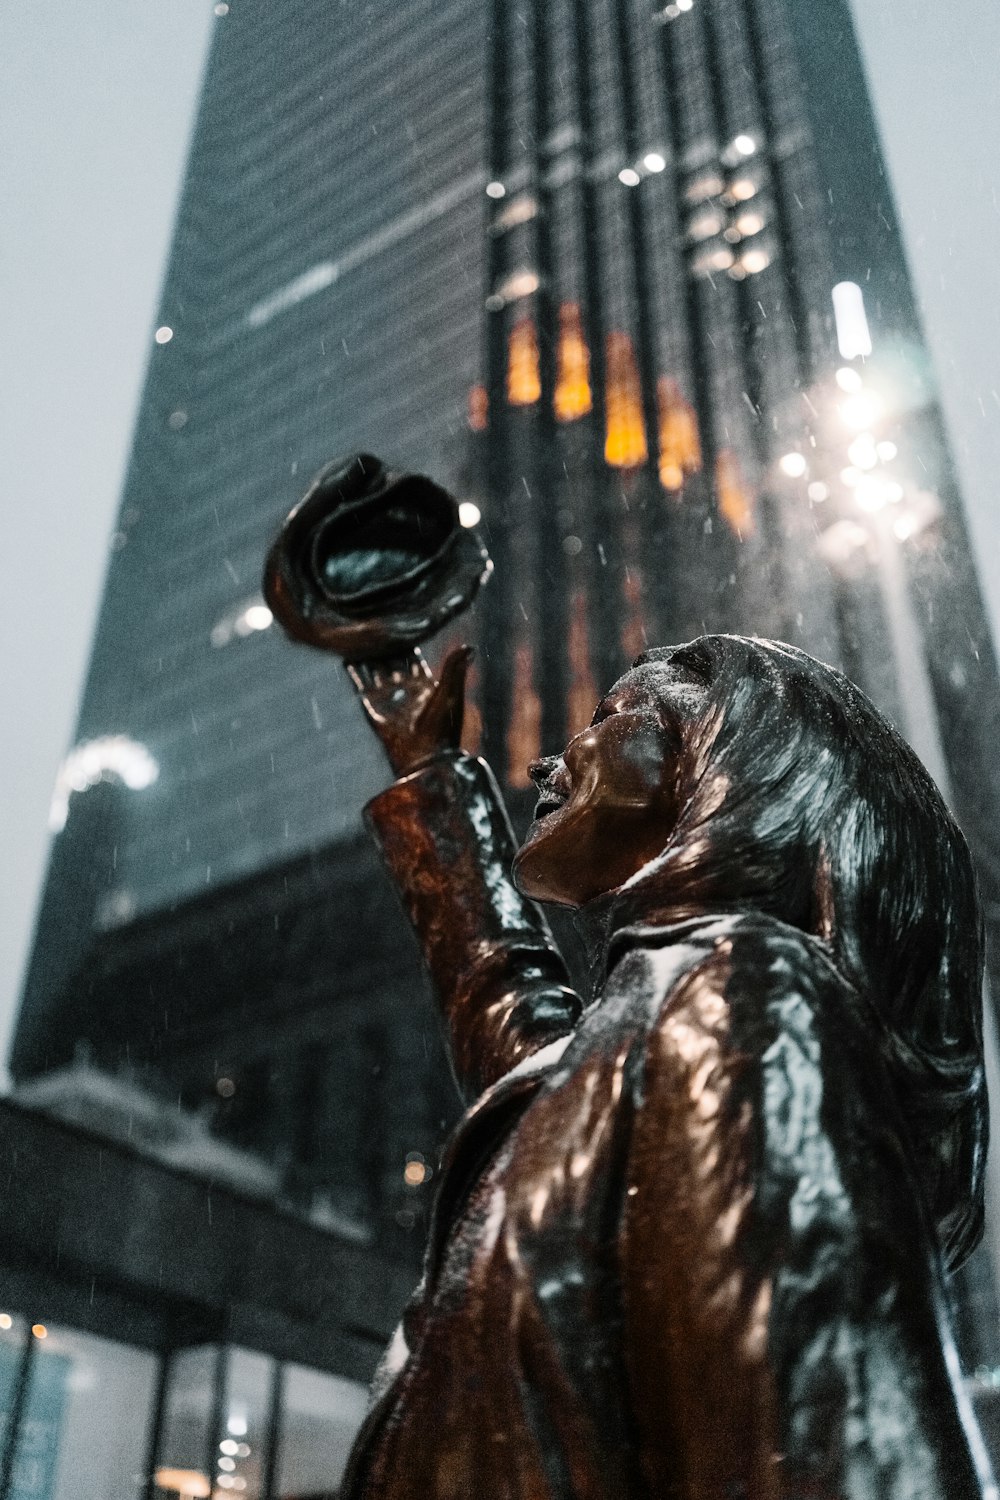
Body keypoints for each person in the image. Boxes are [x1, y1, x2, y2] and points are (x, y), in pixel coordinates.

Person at [340, 633, 994, 1499]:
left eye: (610, 718)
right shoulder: (650, 1029)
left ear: (723, 757)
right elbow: (504, 1007)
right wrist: (429, 768)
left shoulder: (743, 991)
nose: (544, 762)